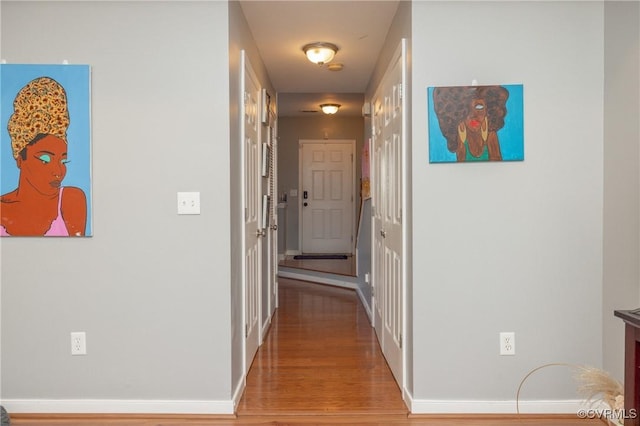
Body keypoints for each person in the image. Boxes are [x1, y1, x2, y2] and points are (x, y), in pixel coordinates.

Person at [0, 76, 86, 236]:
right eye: (45, 159)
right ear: (20, 159)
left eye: (63, 160)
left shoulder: (71, 200)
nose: (58, 171)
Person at [432, 85, 509, 162]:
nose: (473, 115)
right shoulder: (461, 137)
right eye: (467, 109)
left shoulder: (491, 135)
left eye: (479, 107)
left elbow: (497, 164)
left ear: (487, 110)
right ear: (459, 113)